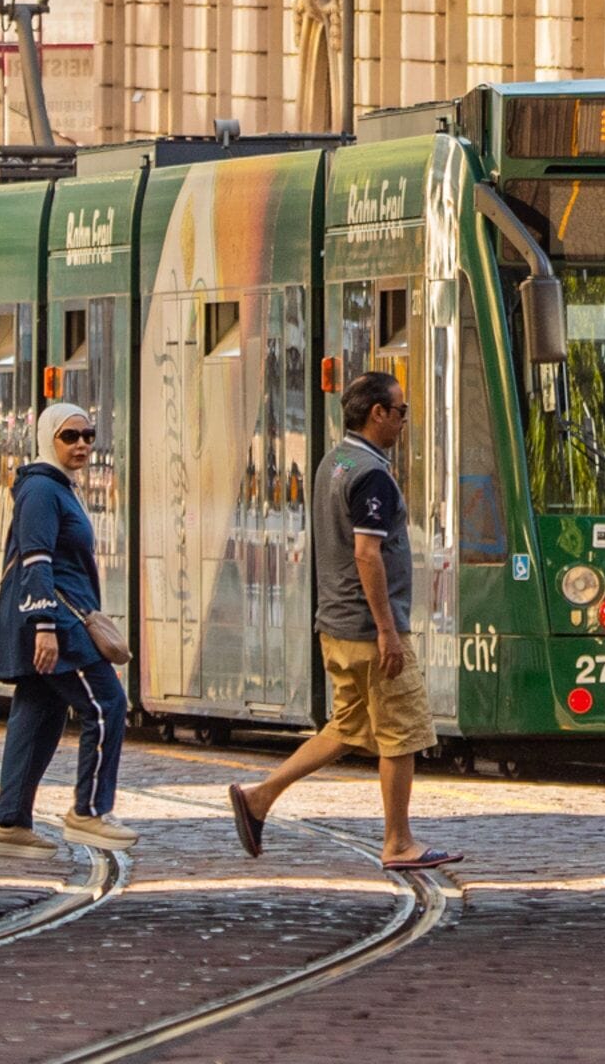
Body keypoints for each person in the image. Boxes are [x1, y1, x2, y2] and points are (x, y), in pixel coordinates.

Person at [225, 370, 456, 871]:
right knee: (402, 733)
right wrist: (389, 631)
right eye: (400, 412)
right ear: (377, 413)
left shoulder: (335, 460)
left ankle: (261, 797)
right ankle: (398, 842)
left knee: (348, 727)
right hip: (369, 631)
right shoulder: (372, 474)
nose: (403, 421)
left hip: (336, 624)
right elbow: (367, 554)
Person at [0, 399, 136, 856]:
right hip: (60, 620)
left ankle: (9, 824)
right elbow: (36, 559)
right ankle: (88, 812)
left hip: (61, 617)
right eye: (69, 436)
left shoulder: (59, 487)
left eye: (88, 436)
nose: (81, 445)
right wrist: (44, 627)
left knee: (38, 716)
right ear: (47, 439)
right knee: (106, 704)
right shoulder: (41, 490)